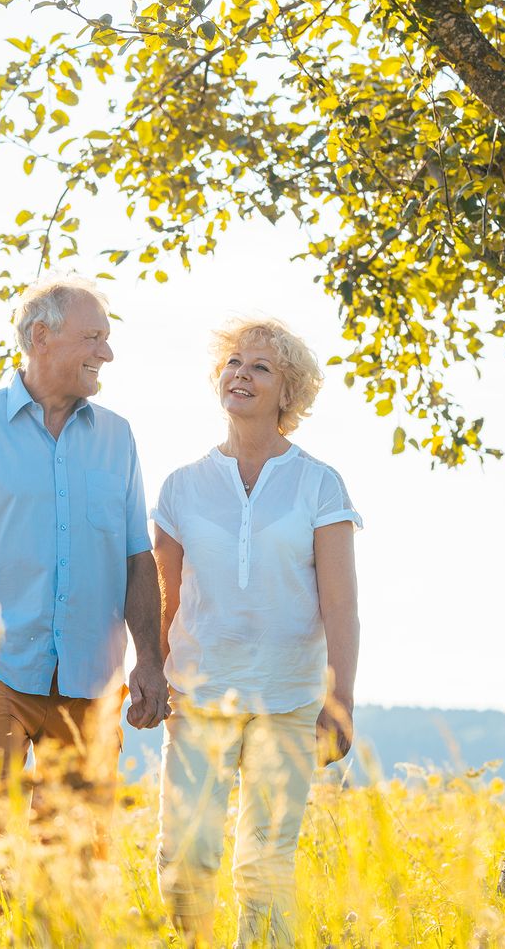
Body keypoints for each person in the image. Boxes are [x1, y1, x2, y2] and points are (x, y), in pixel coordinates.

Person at [0, 274, 169, 897]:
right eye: (93, 337)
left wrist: (150, 658)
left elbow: (136, 559)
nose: (107, 353)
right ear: (40, 337)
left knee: (78, 852)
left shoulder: (118, 437)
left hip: (91, 678)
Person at [152, 317, 362, 948]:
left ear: (287, 393)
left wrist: (340, 700)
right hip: (198, 694)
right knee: (185, 857)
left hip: (289, 699)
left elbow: (341, 606)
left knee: (265, 866)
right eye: (234, 363)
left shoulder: (318, 483)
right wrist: (149, 674)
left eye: (260, 367)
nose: (240, 374)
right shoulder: (182, 487)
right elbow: (163, 599)